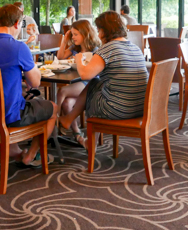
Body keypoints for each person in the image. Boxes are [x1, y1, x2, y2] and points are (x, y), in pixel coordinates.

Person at [0, 4, 57, 166]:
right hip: (8, 117)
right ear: (16, 24)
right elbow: (35, 83)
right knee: (53, 108)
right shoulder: (19, 47)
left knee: (18, 97)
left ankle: (16, 151)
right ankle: (31, 155)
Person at [58, 11, 149, 148]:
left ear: (105, 31)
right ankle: (74, 125)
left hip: (117, 109)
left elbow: (85, 75)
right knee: (97, 83)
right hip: (140, 107)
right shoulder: (135, 48)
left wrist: (79, 60)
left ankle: (69, 121)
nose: (99, 34)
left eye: (99, 30)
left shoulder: (108, 48)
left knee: (94, 83)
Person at [55, 20, 102, 136]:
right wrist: (64, 41)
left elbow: (91, 72)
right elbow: (60, 57)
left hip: (90, 83)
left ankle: (53, 121)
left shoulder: (95, 49)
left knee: (62, 91)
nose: (73, 37)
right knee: (66, 103)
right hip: (79, 81)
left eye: (76, 34)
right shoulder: (75, 47)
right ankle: (77, 132)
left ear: (85, 34)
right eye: (72, 34)